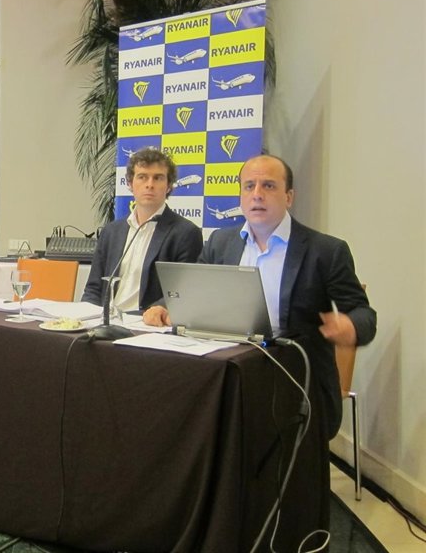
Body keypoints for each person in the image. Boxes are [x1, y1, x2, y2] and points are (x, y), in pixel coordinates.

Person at [143, 153, 376, 439]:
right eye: (249, 186)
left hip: (295, 382)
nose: (257, 194)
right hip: (230, 374)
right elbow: (190, 289)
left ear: (288, 196)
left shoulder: (325, 251)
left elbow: (364, 315)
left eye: (268, 186)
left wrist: (350, 326)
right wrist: (163, 306)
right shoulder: (221, 242)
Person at [82, 146, 203, 313]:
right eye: (142, 177)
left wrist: (157, 311)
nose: (150, 185)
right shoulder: (111, 231)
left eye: (158, 178)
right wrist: (84, 317)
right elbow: (93, 289)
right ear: (130, 184)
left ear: (168, 186)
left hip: (145, 323)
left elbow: (181, 293)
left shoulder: (185, 233)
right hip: (105, 320)